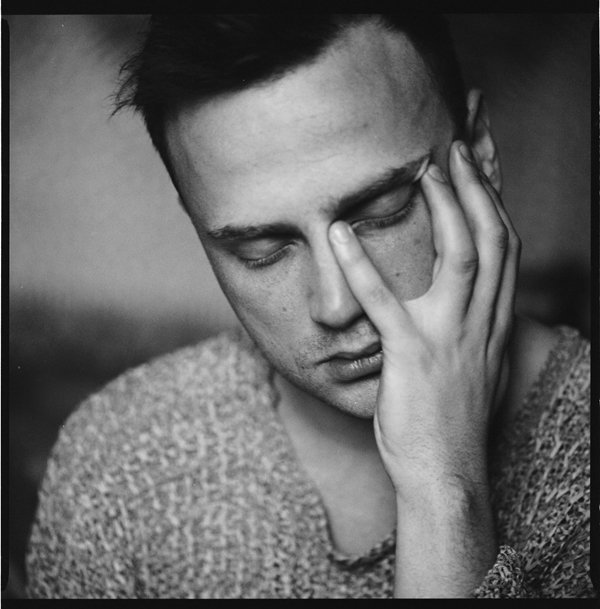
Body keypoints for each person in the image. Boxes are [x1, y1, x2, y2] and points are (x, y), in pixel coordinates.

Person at [25, 14, 594, 598]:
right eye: (262, 249)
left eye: (383, 211)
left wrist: (443, 489)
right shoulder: (118, 466)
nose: (337, 304)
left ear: (480, 151)